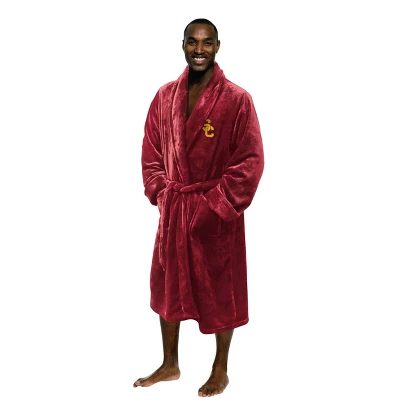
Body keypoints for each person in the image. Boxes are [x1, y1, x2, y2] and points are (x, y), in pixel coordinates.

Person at [134, 18, 264, 397]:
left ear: (218, 46)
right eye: (192, 42)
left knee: (222, 288)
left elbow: (250, 161)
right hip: (175, 210)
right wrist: (162, 193)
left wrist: (215, 205)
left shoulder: (237, 100)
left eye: (207, 43)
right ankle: (170, 363)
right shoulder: (164, 96)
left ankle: (220, 368)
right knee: (167, 283)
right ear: (183, 45)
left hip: (215, 214)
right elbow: (151, 151)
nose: (199, 50)